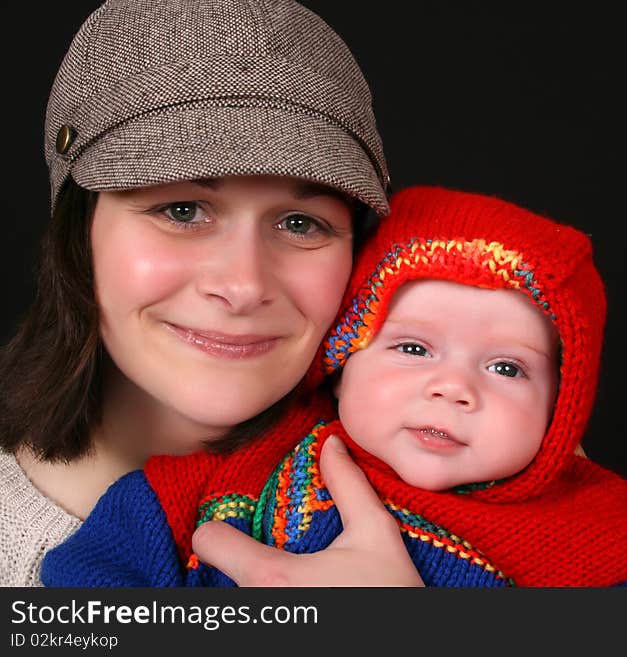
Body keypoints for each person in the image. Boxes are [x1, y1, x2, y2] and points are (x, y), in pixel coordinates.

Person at [43, 186, 627, 587]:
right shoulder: (235, 476)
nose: (453, 389)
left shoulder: (598, 537)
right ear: (342, 365)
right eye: (411, 347)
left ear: (562, 410)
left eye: (507, 367)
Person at [0, 0, 422, 588]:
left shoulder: (486, 491)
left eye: (300, 223)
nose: (243, 286)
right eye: (182, 210)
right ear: (77, 230)